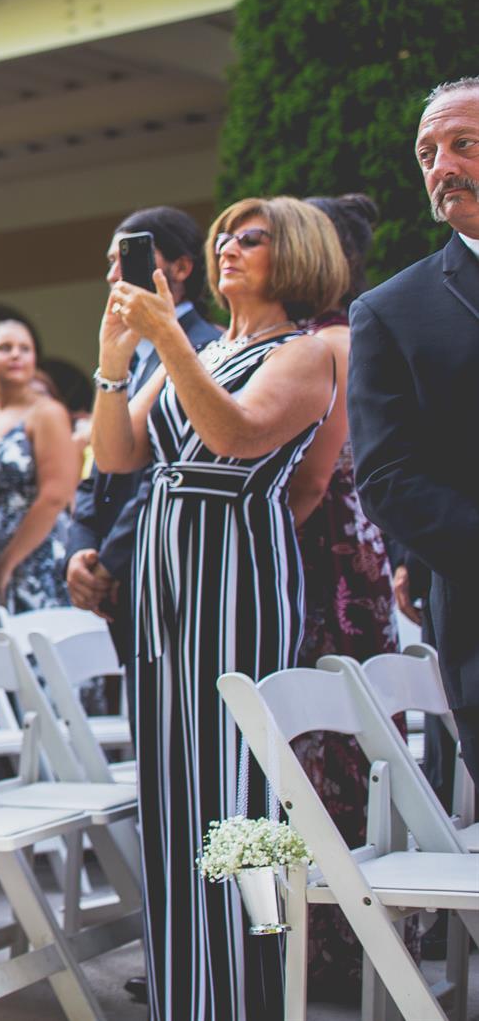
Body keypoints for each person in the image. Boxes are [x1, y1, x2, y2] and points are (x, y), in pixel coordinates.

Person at [93, 195, 345, 1021]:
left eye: (253, 238)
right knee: (169, 784)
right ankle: (186, 996)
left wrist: (166, 336)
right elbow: (117, 453)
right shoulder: (200, 350)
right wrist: (114, 359)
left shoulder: (305, 352)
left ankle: (245, 993)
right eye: (225, 236)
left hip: (236, 571)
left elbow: (237, 434)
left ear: (297, 254)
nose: (229, 247)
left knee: (235, 782)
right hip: (164, 580)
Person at [285, 192, 412, 997]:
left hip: (323, 561)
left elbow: (312, 480)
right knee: (346, 740)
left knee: (328, 739)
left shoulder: (330, 341)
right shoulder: (345, 334)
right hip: (352, 557)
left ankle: (334, 945)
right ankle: (345, 938)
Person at [351, 76, 479, 791]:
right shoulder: (392, 311)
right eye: (428, 153)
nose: (443, 166)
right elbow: (388, 475)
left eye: (464, 144)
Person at [65, 208, 223, 672]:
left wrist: (110, 563)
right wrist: (79, 549)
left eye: (128, 259)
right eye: (110, 262)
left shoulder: (207, 349)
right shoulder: (125, 353)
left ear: (182, 267)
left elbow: (170, 470)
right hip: (115, 574)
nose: (113, 275)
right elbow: (97, 465)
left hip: (169, 567)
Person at [0, 321, 78, 613]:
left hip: (39, 559)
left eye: (25, 348)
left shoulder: (47, 413)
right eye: (4, 348)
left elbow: (55, 497)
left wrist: (6, 565)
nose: (15, 355)